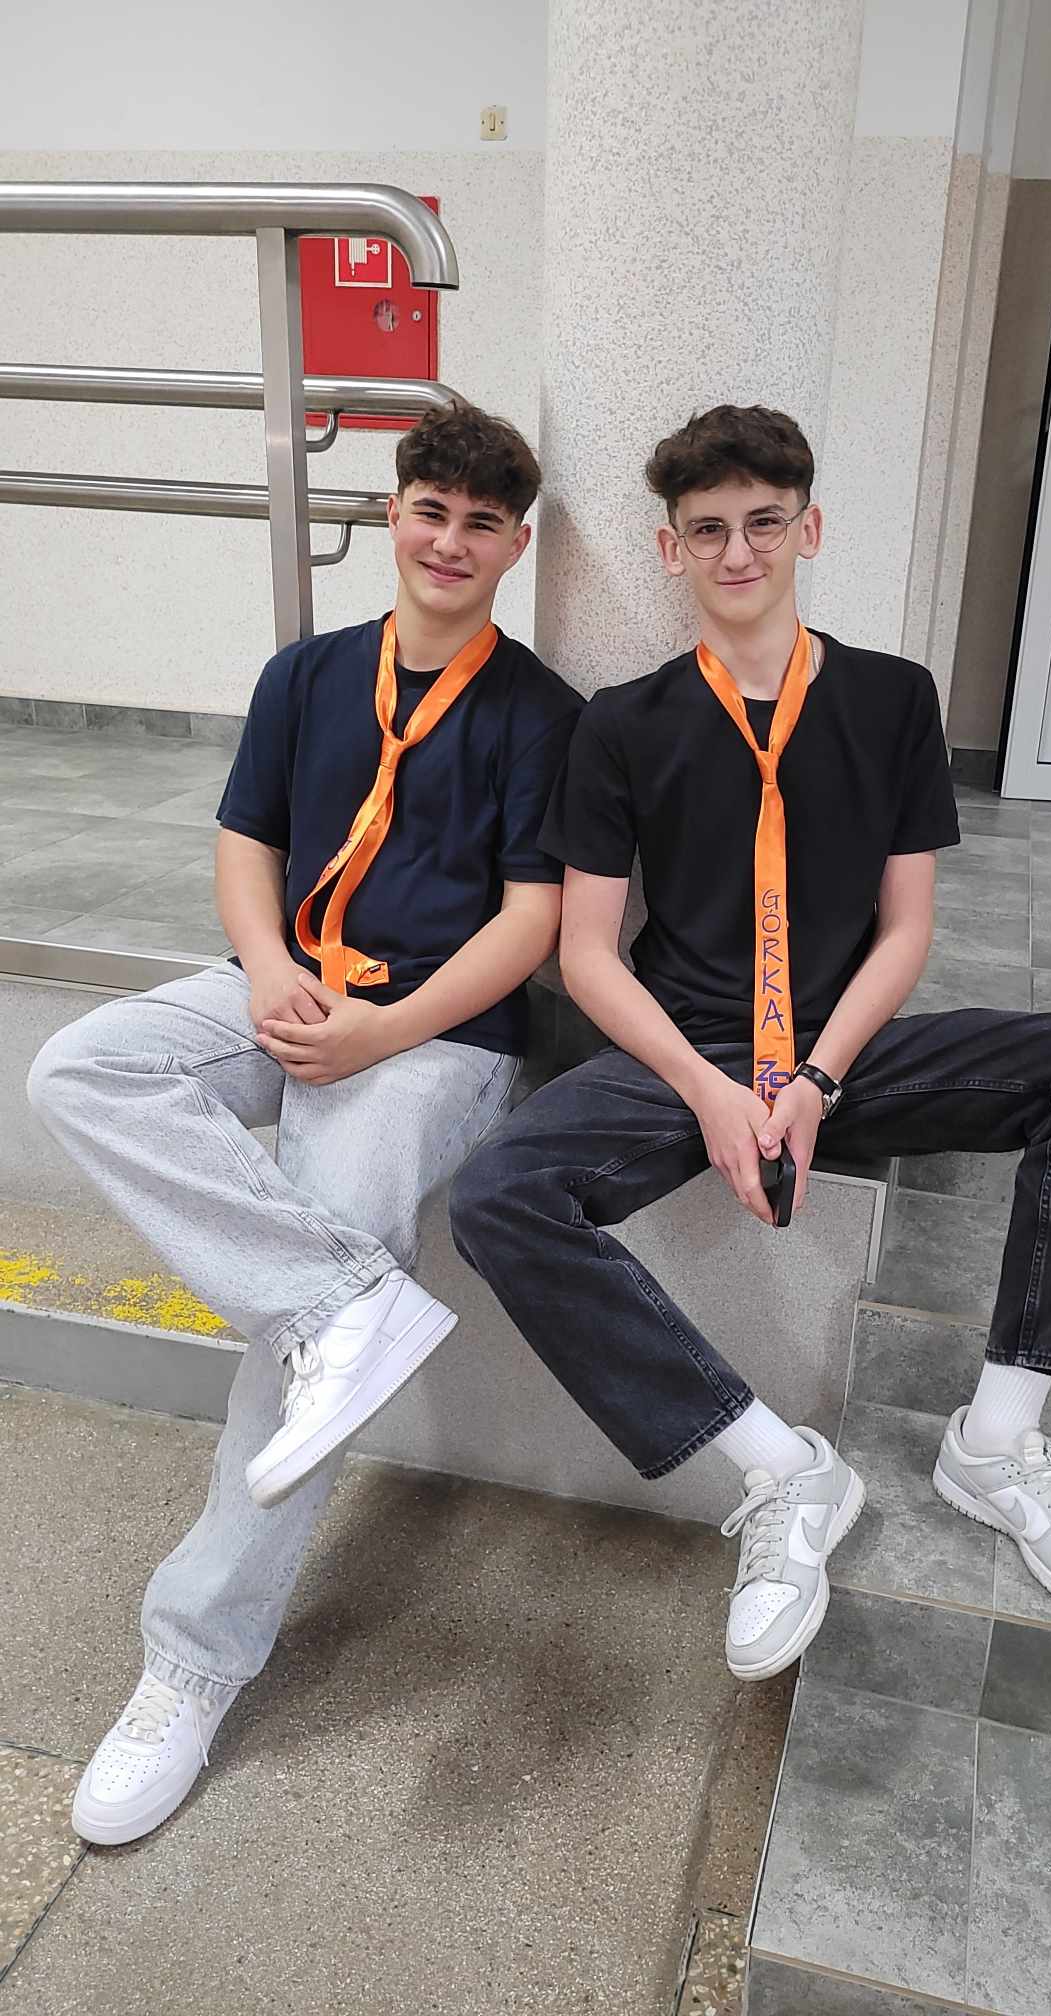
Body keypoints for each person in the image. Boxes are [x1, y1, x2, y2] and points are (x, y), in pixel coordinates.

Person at [450, 401, 1051, 1682]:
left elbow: (907, 927)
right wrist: (711, 1092)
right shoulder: (624, 723)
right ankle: (780, 1469)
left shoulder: (890, 699)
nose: (739, 551)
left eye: (765, 522)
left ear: (808, 531)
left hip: (846, 1052)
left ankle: (997, 1444)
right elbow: (588, 954)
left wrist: (818, 1077)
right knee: (497, 1194)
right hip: (689, 1052)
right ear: (671, 551)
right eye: (708, 529)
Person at [27, 400, 581, 1843]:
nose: (450, 541)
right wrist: (269, 970)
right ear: (391, 514)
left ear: (515, 547)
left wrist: (380, 1033)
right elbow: (246, 843)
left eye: (481, 524)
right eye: (430, 510)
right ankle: (341, 1305)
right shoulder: (308, 673)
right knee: (81, 1068)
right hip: (287, 985)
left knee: (312, 1302)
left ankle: (192, 1663)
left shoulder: (542, 715)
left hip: (434, 1037)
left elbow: (530, 925)